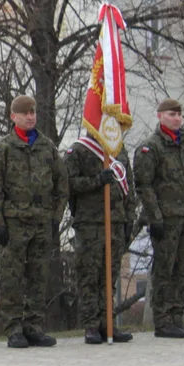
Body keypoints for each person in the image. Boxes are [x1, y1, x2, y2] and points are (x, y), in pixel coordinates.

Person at [0, 95, 68, 348]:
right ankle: (14, 328)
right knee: (12, 276)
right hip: (14, 224)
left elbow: (61, 186)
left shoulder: (47, 147)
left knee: (39, 276)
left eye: (33, 112)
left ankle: (34, 326)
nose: (30, 116)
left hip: (42, 222)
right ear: (13, 117)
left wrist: (56, 218)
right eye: (25, 113)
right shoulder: (4, 149)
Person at [134, 98, 184, 339]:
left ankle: (176, 317)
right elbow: (144, 185)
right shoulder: (150, 148)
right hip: (166, 218)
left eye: (179, 115)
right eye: (172, 114)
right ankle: (162, 319)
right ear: (160, 116)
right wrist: (155, 218)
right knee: (164, 267)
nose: (177, 118)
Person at [65, 134, 136, 344]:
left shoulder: (118, 149)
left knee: (110, 276)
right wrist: (97, 181)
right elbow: (67, 183)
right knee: (89, 275)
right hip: (90, 223)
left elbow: (128, 187)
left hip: (115, 221)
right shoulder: (79, 150)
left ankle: (108, 324)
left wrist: (129, 218)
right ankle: (91, 325)